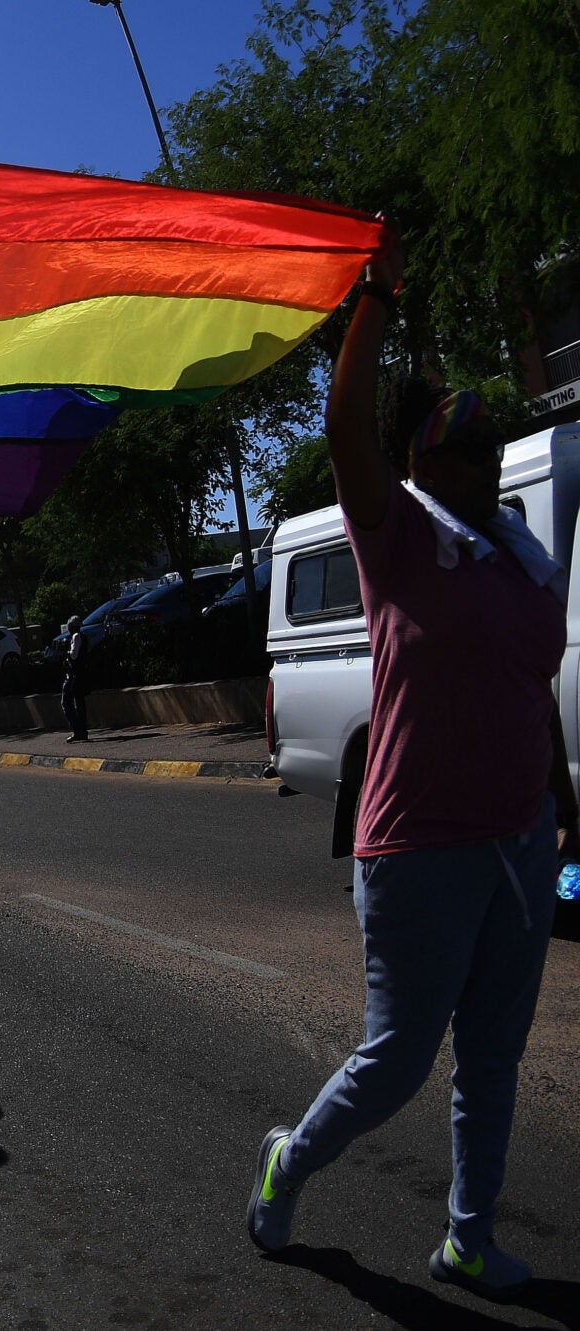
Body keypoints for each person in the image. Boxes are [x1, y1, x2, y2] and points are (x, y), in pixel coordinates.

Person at [244, 246, 571, 1299]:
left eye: (490, 441)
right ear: (424, 463)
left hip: (520, 839)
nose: (485, 455)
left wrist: (563, 810)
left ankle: (468, 1237)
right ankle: (289, 1159)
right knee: (397, 1058)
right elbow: (345, 428)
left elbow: (531, 687)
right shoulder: (398, 538)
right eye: (463, 444)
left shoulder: (519, 556)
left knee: (493, 1056)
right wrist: (376, 302)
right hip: (419, 845)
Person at [59, 617, 91, 744]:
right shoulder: (83, 637)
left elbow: (73, 655)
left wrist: (65, 650)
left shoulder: (76, 637)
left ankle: (77, 730)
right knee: (79, 703)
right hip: (80, 674)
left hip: (74, 675)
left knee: (66, 702)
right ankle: (82, 730)